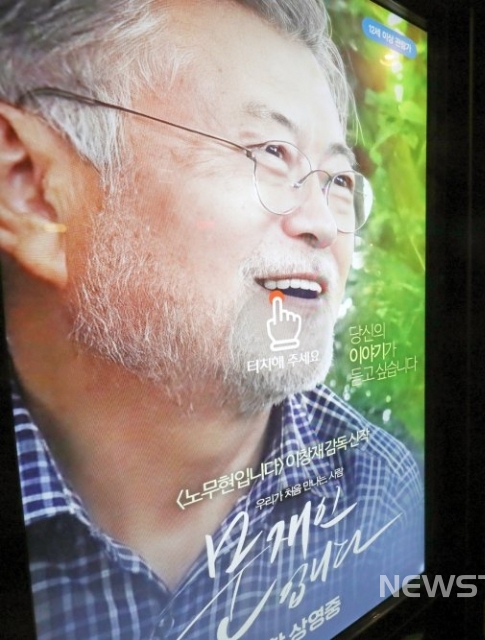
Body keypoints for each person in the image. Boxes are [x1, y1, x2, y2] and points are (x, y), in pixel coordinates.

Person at [0, 1, 423, 639]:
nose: (323, 222)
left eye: (338, 179)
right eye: (270, 151)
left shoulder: (381, 486)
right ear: (32, 188)